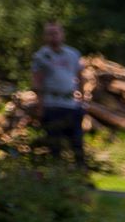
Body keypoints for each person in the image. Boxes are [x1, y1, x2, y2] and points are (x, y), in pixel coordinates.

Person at [31, 21, 85, 163]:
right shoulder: (41, 56)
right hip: (51, 105)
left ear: (62, 34)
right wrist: (40, 105)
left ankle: (81, 175)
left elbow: (81, 76)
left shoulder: (73, 54)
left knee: (77, 142)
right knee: (54, 145)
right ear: (45, 37)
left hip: (71, 105)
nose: (53, 37)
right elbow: (37, 81)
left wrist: (82, 98)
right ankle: (58, 174)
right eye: (50, 34)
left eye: (56, 33)